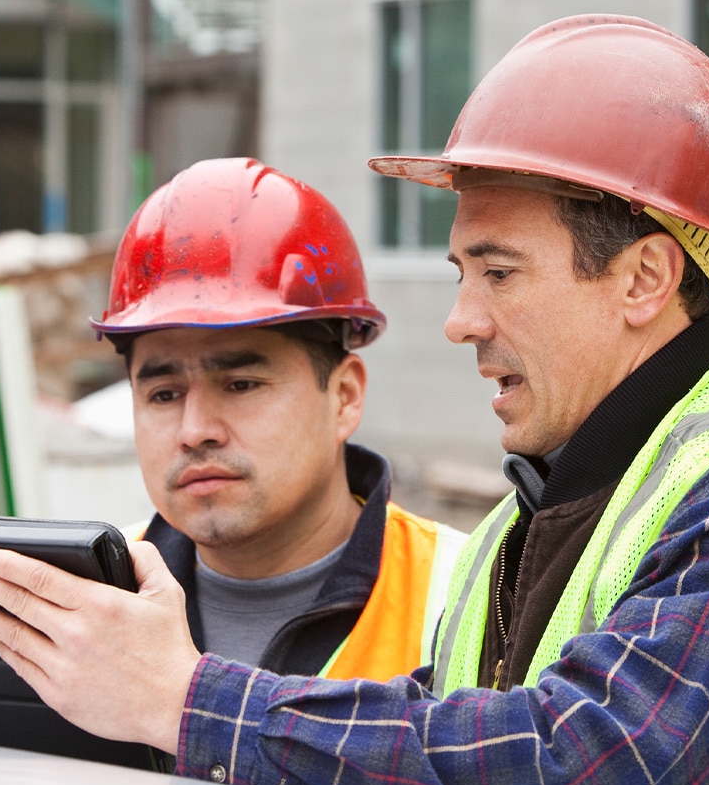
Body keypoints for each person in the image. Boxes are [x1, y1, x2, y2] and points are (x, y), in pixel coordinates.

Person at [0, 17, 709, 785]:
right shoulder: (545, 520)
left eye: (499, 272)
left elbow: (588, 782)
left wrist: (188, 701)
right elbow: (443, 759)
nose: (460, 320)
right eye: (459, 272)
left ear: (645, 278)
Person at [89, 156, 466, 680]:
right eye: (164, 394)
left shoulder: (465, 596)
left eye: (241, 385)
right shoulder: (95, 595)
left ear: (345, 396)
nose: (196, 430)